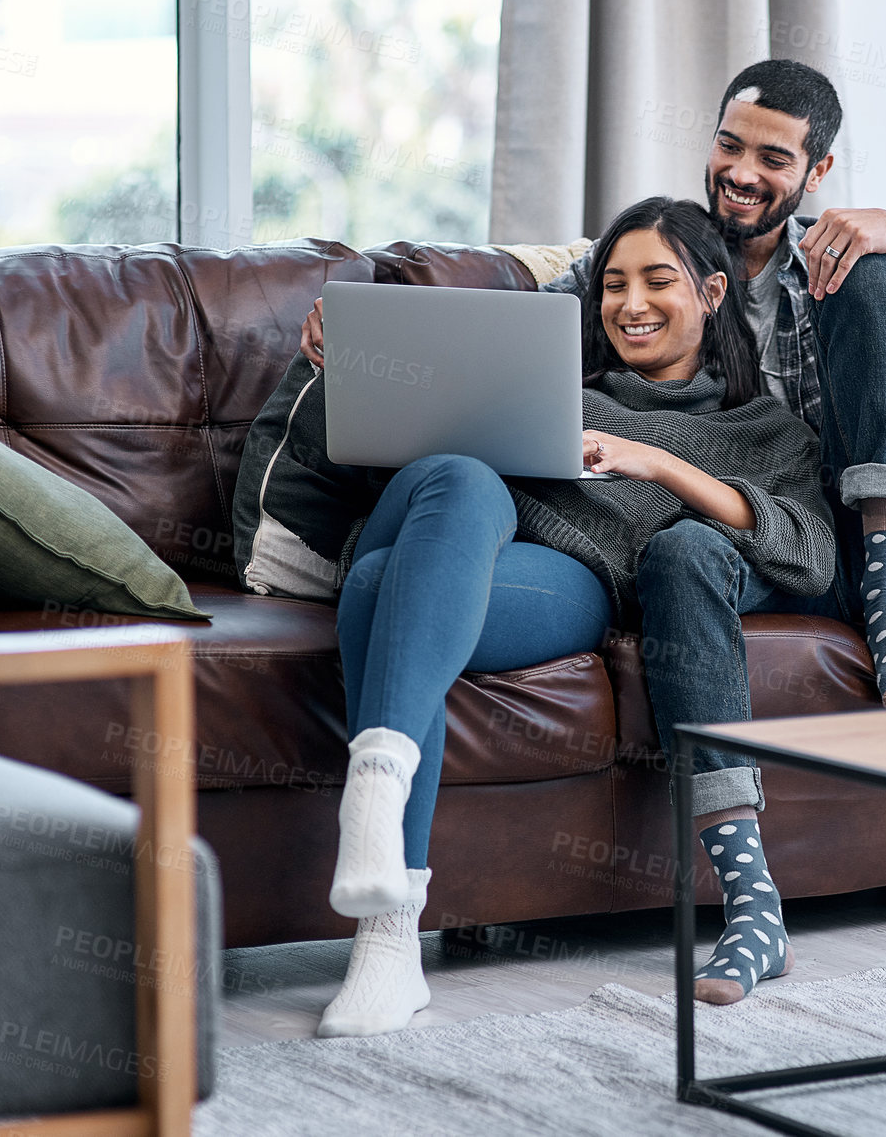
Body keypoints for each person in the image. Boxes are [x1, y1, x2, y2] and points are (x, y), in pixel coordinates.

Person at [303, 59, 886, 709]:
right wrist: (361, 335)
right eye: (730, 145)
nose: (742, 173)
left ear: (818, 171)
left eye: (773, 159)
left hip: (845, 523)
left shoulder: (832, 262)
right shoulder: (655, 261)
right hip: (731, 538)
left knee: (869, 264)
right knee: (680, 549)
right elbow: (500, 347)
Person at [310, 197, 837, 1038]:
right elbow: (403, 463)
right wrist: (348, 365)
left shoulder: (763, 428)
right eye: (613, 285)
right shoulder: (551, 387)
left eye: (656, 281)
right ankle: (382, 906)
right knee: (457, 473)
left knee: (382, 591)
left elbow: (809, 550)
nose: (629, 304)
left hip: (568, 581)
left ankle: (386, 912)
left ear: (709, 292)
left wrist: (655, 462)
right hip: (462, 529)